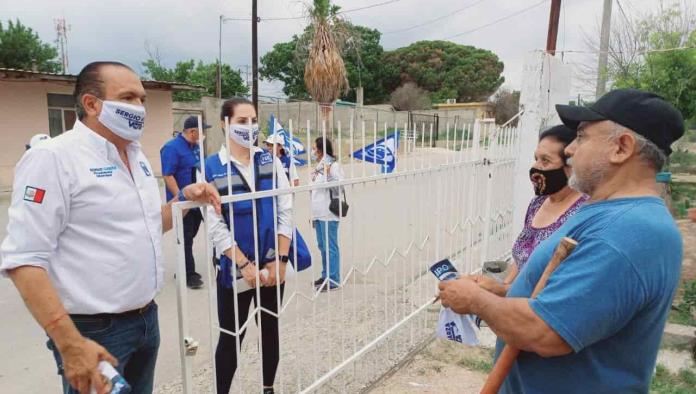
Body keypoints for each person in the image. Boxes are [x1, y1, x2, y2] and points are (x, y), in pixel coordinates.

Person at [438, 88, 684, 393]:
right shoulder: (606, 212)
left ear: (621, 148)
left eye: (582, 137)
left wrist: (475, 300)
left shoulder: (626, 232)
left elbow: (545, 332)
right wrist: (503, 294)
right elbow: (564, 301)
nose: (569, 149)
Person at [0, 61, 220, 394]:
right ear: (91, 104)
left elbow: (146, 225)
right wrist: (70, 343)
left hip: (146, 319)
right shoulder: (53, 158)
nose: (139, 108)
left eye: (142, 99)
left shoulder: (136, 156)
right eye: (128, 97)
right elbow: (24, 260)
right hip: (95, 331)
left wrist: (185, 200)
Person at [205, 98, 294, 394]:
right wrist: (244, 265)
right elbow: (216, 226)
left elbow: (285, 208)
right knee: (231, 336)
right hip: (235, 269)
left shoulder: (270, 161)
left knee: (270, 329)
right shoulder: (211, 167)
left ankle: (268, 388)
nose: (250, 127)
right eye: (242, 121)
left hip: (271, 265)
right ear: (224, 123)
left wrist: (280, 260)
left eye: (253, 120)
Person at [474, 125, 588, 296]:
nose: (536, 167)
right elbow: (521, 262)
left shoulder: (582, 213)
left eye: (545, 160)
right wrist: (501, 290)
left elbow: (559, 283)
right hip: (515, 307)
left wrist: (501, 291)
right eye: (536, 158)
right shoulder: (538, 203)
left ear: (571, 165)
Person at [161, 115, 211, 289]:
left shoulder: (196, 147)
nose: (203, 134)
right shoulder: (171, 148)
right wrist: (181, 199)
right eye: (201, 130)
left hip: (198, 201)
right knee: (185, 237)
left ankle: (183, 267)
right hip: (182, 202)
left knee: (193, 233)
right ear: (192, 131)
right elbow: (168, 175)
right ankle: (188, 274)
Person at [310, 137, 344, 292]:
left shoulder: (333, 165)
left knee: (330, 247)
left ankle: (334, 278)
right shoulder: (319, 165)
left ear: (321, 149)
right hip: (318, 213)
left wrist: (329, 173)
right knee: (322, 246)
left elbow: (339, 188)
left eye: (314, 148)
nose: (312, 151)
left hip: (328, 213)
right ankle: (326, 275)